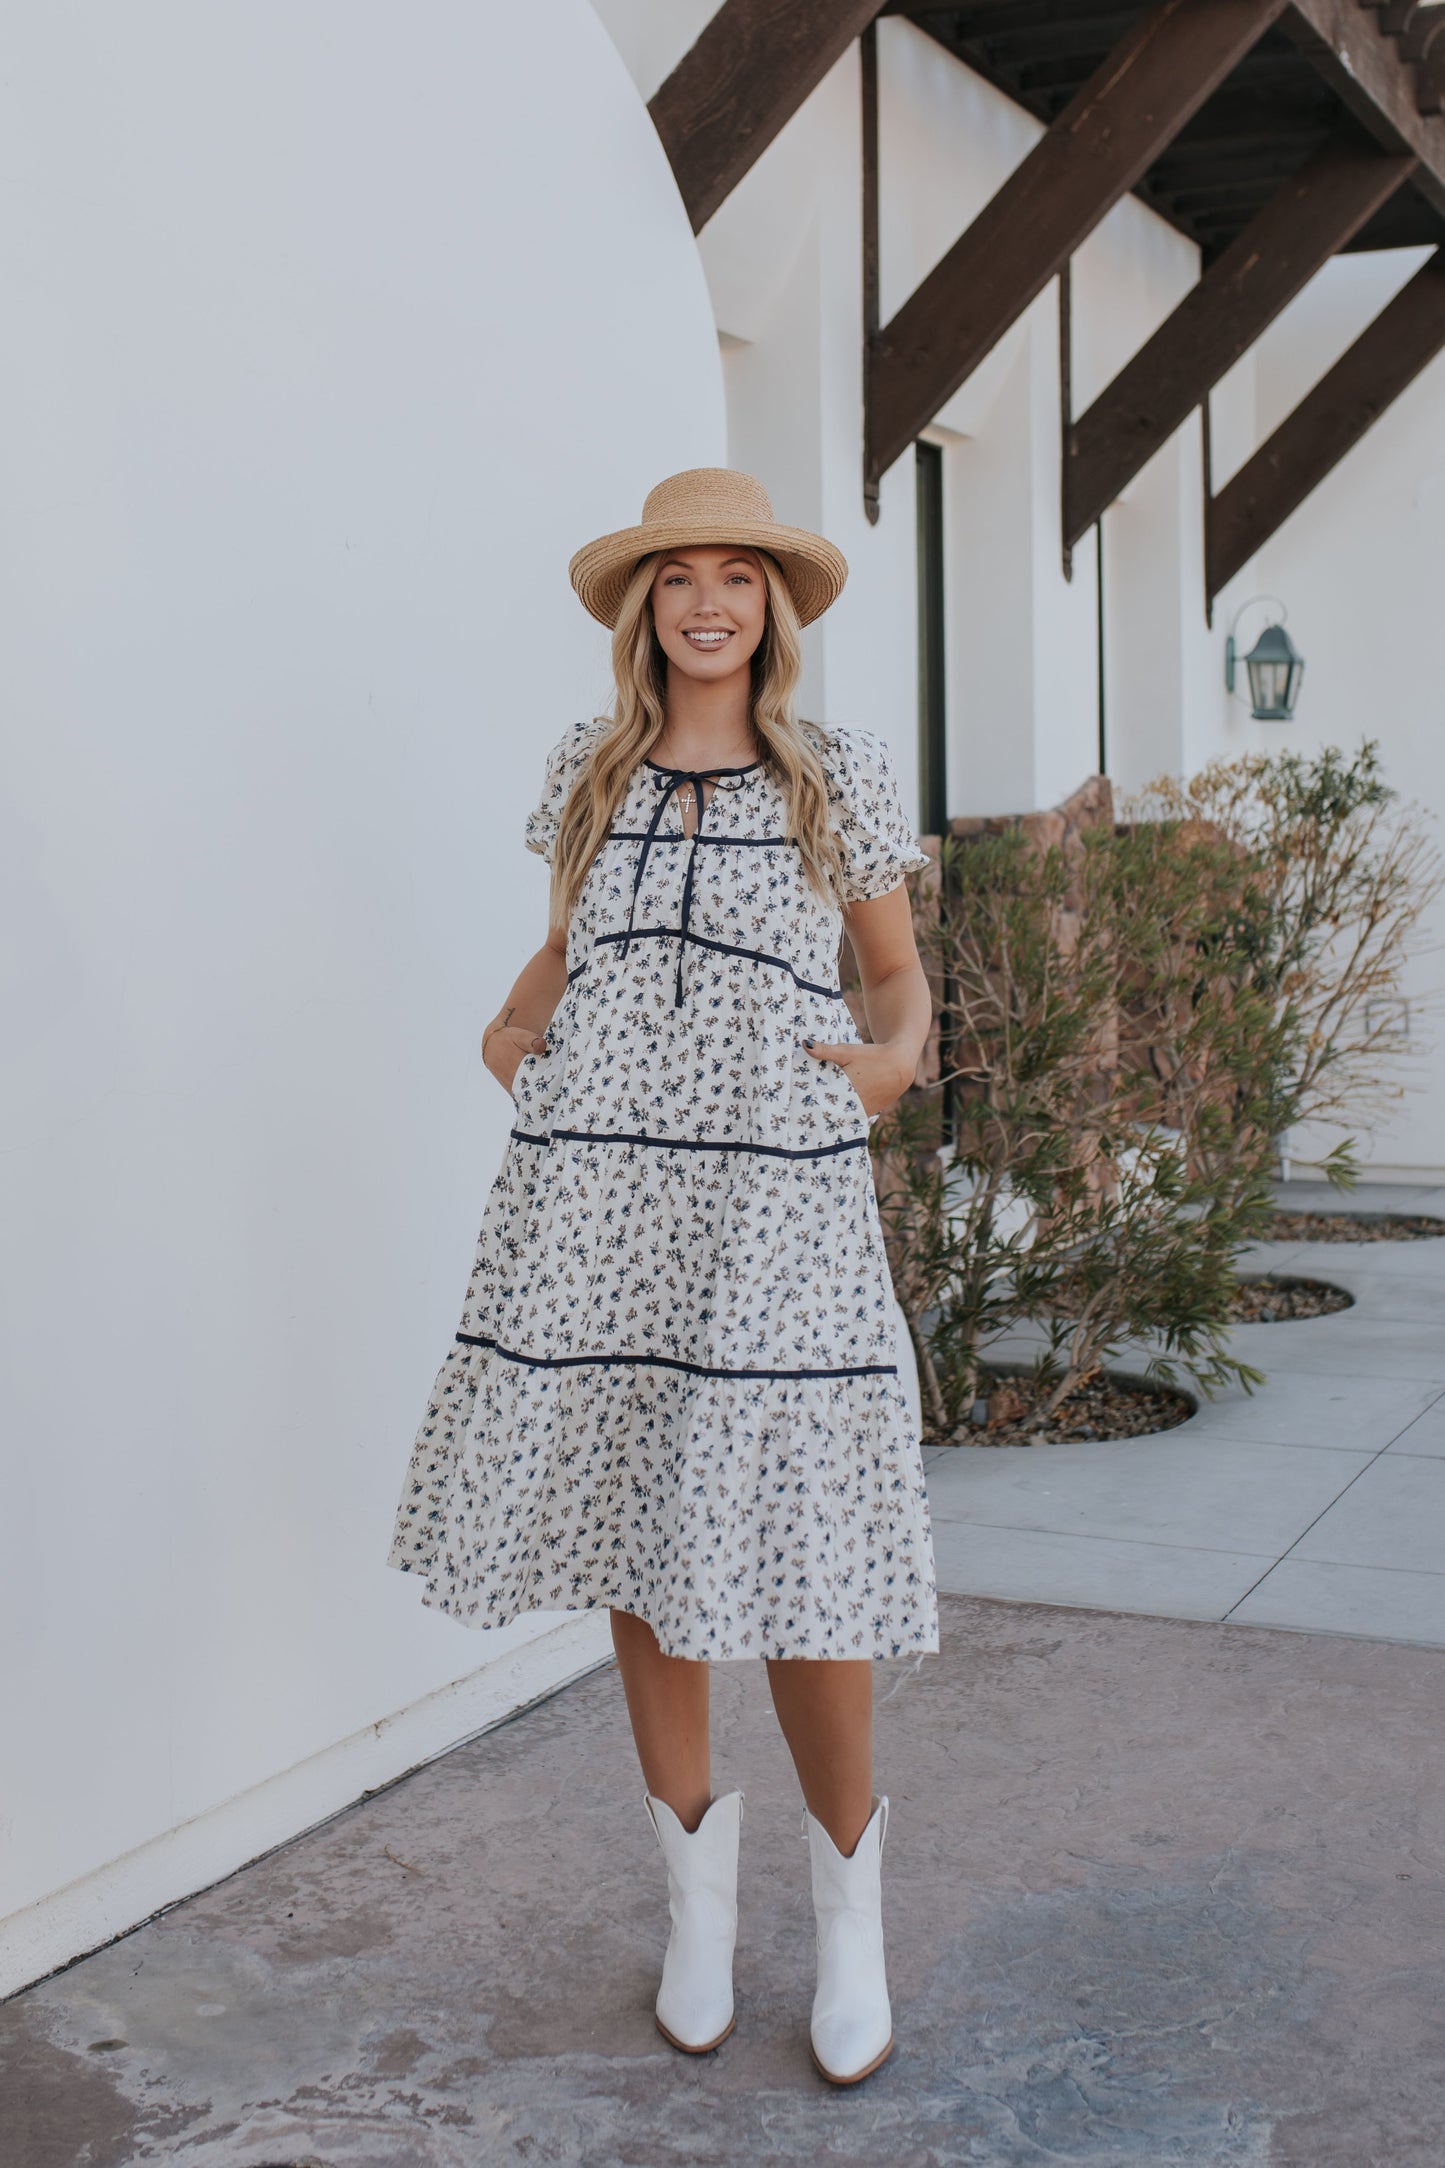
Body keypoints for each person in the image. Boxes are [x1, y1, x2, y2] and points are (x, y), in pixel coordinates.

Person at [388, 467, 939, 2085]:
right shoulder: (591, 772)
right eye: (680, 578)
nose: (708, 602)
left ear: (773, 611)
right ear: (646, 611)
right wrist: (514, 1049)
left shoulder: (833, 771)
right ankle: (695, 1911)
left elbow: (895, 977)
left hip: (774, 1214)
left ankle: (850, 1925)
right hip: (604, 1214)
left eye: (739, 579)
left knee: (801, 1562)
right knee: (646, 1530)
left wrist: (884, 1073)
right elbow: (560, 961)